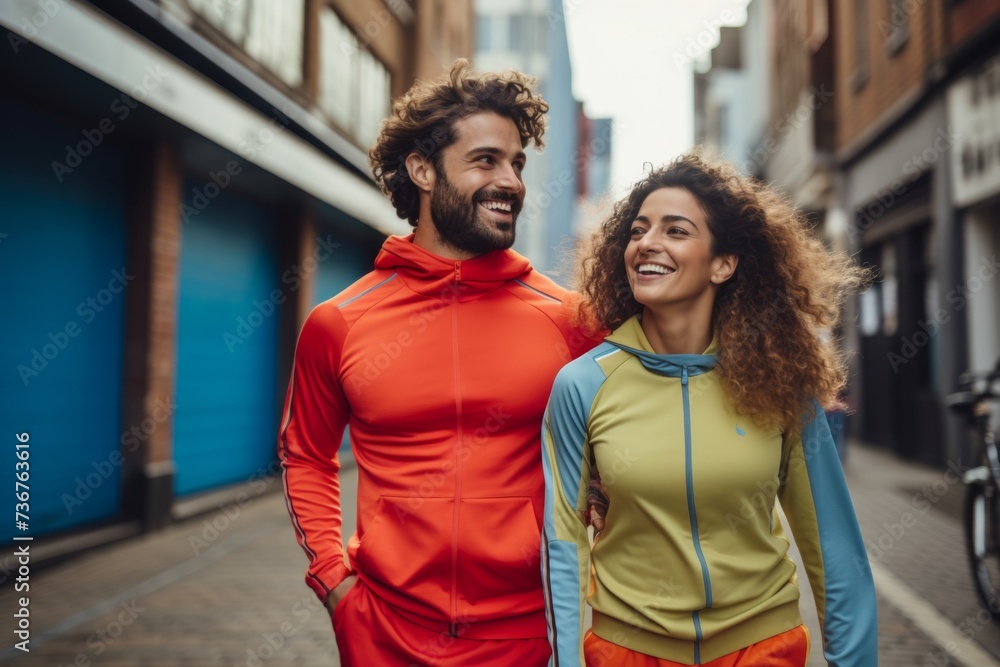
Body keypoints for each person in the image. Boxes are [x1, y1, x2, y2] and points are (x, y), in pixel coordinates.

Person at [278, 59, 601, 666]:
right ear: (422, 171)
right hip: (383, 634)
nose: (512, 181)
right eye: (486, 160)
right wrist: (333, 581)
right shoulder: (339, 323)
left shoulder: (571, 320)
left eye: (517, 163)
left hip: (528, 638)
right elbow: (306, 454)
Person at [541, 152, 878, 666]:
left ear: (724, 263)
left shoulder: (779, 379)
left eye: (676, 231)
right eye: (638, 230)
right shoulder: (583, 384)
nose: (647, 243)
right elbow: (563, 544)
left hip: (761, 648)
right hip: (629, 651)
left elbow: (834, 549)